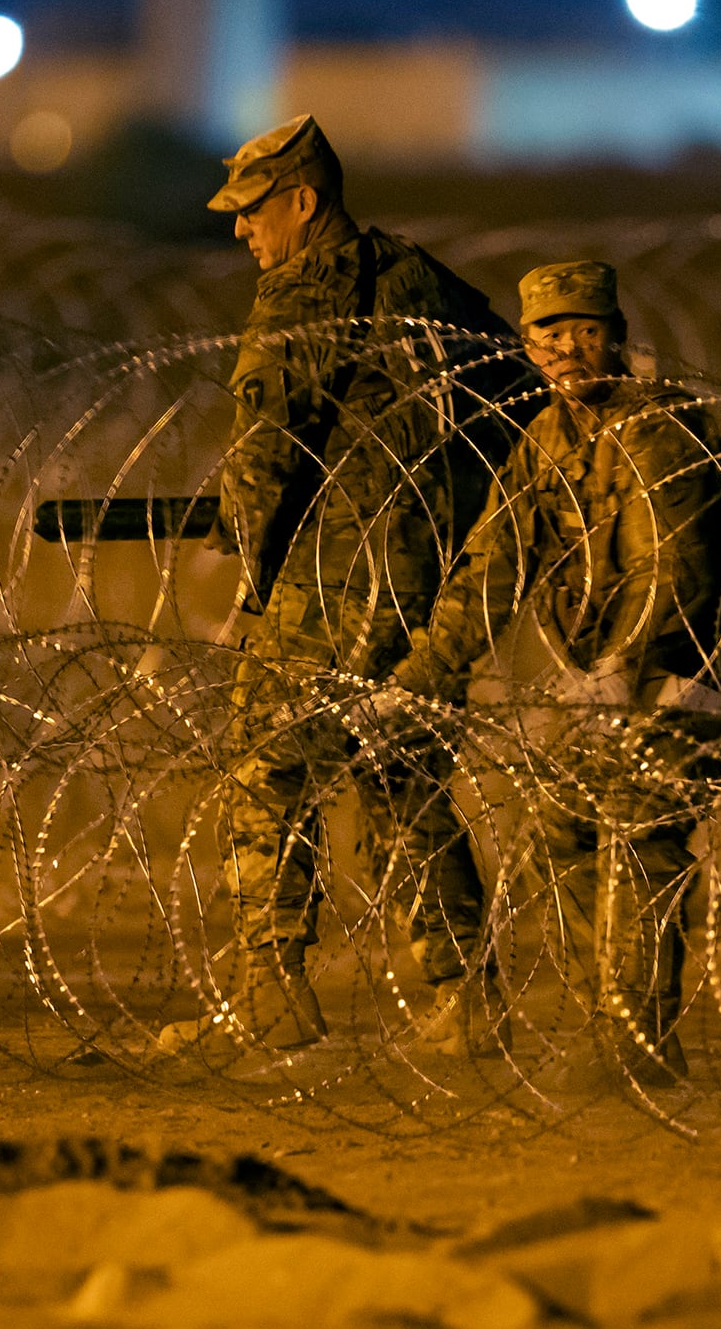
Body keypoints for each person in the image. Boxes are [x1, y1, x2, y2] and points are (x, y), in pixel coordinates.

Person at [153, 113, 525, 1063]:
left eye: (253, 211)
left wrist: (247, 561)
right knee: (400, 773)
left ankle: (270, 990)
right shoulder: (422, 278)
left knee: (266, 767)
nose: (242, 232)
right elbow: (514, 395)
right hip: (420, 576)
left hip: (325, 581)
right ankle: (464, 996)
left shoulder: (298, 296)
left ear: (303, 203)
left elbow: (265, 459)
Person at [383, 260, 721, 1089]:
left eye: (586, 331)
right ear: (529, 345)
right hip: (618, 671)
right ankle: (609, 1020)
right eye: (549, 333)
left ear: (614, 334)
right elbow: (493, 562)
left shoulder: (659, 427)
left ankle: (641, 1045)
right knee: (564, 821)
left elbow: (673, 569)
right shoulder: (547, 436)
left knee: (642, 824)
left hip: (698, 667)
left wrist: (619, 671)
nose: (568, 348)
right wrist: (426, 671)